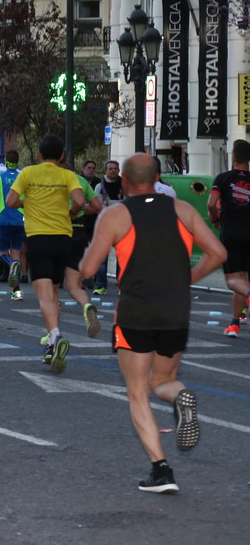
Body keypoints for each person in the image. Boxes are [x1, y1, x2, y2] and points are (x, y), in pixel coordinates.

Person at [80, 153, 225, 494]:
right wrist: (189, 277)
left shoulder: (116, 214)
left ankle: (161, 470)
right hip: (176, 309)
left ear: (124, 181)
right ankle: (180, 396)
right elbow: (218, 253)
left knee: (137, 391)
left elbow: (88, 268)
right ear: (157, 178)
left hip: (136, 311)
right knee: (163, 380)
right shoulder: (182, 210)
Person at [5, 135, 84, 374]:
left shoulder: (28, 173)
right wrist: (71, 212)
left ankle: (55, 336)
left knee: (44, 295)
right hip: (63, 239)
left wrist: (27, 202)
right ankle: (51, 347)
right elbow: (80, 200)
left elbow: (10, 201)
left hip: (38, 238)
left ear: (39, 154)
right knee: (54, 292)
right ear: (62, 156)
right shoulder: (67, 175)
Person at [58, 153, 103, 340]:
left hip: (56, 233)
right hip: (79, 234)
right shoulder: (81, 181)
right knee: (74, 285)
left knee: (51, 288)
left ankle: (51, 331)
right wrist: (80, 211)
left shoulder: (51, 180)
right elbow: (97, 206)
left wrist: (69, 212)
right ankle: (87, 306)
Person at [208, 138, 250, 337]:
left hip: (231, 234)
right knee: (243, 280)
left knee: (235, 279)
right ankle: (235, 322)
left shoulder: (223, 178)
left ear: (233, 157)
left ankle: (235, 324)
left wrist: (215, 219)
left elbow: (211, 204)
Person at [0, 150, 25, 298]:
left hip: (4, 219)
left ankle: (11, 264)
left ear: (5, 162)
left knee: (1, 252)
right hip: (20, 220)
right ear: (17, 161)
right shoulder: (23, 178)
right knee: (16, 252)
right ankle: (16, 291)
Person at [93, 160, 123, 294]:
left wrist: (109, 203)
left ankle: (122, 285)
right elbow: (98, 206)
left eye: (116, 168)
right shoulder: (100, 186)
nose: (113, 171)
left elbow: (129, 204)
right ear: (105, 170)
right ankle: (101, 285)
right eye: (110, 169)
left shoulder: (126, 185)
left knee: (122, 257)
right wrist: (117, 204)